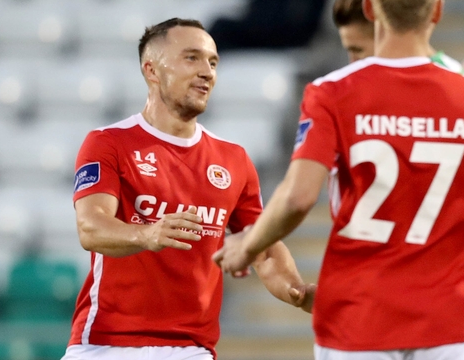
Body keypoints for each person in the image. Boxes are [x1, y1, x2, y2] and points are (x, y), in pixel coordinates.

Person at [214, 0, 464, 359]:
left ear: (370, 7)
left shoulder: (331, 93)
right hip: (449, 321)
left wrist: (248, 244)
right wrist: (463, 264)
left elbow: (297, 198)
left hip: (358, 317)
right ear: (437, 11)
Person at [63, 18, 313, 360]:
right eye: (192, 58)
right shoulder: (109, 143)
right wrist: (147, 234)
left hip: (190, 350)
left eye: (212, 62)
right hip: (106, 344)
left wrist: (295, 289)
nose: (207, 71)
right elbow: (91, 227)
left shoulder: (233, 159)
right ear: (152, 70)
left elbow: (263, 248)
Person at [331, 0, 464, 74]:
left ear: (384, 34)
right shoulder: (350, 88)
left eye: (358, 50)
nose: (352, 61)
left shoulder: (454, 77)